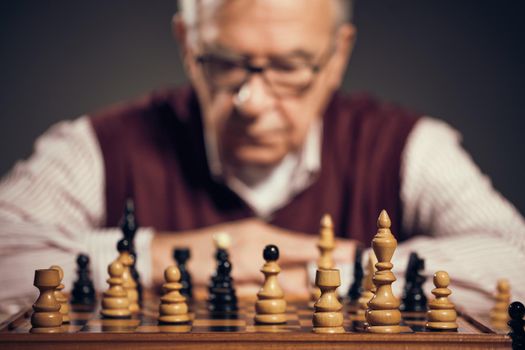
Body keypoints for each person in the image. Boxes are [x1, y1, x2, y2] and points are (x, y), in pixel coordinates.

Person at [0, 0, 523, 313]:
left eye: (291, 67)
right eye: (225, 63)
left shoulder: (409, 145)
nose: (252, 103)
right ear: (186, 42)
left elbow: (517, 261)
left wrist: (349, 273)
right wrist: (158, 258)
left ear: (338, 54)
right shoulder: (96, 144)